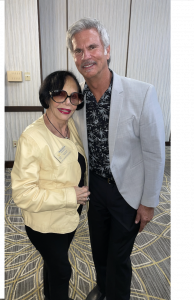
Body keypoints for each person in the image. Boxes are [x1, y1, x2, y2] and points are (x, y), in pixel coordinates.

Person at [66, 17, 165, 300]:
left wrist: (148, 203)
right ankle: (104, 287)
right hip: (95, 188)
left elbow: (155, 153)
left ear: (107, 50)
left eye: (92, 47)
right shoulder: (76, 100)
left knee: (118, 254)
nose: (86, 56)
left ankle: (116, 294)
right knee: (98, 247)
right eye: (78, 50)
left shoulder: (141, 93)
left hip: (128, 191)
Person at [11, 70, 90, 300]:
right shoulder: (32, 138)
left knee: (54, 264)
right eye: (60, 94)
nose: (68, 102)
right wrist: (69, 196)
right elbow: (23, 194)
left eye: (74, 97)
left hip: (68, 217)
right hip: (45, 224)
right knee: (62, 271)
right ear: (47, 97)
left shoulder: (70, 125)